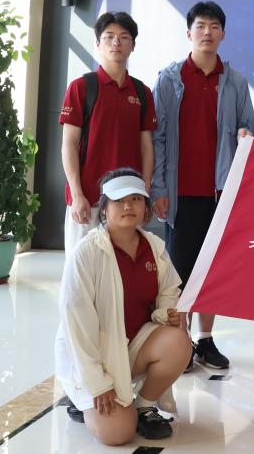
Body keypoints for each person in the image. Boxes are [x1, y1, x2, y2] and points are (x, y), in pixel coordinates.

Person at [151, 0, 254, 372]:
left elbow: (248, 131)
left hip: (219, 193)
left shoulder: (236, 82)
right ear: (189, 32)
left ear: (223, 33)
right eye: (200, 26)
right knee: (180, 271)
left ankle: (206, 340)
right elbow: (158, 137)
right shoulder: (169, 79)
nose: (207, 32)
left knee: (211, 270)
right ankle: (180, 341)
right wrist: (159, 189)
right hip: (180, 193)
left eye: (214, 26)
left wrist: (244, 136)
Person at [55, 169, 192, 444]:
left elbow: (169, 291)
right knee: (118, 433)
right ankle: (81, 397)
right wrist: (97, 383)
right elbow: (76, 325)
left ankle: (144, 406)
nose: (128, 206)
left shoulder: (154, 247)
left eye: (136, 199)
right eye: (119, 200)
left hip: (131, 347)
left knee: (178, 341)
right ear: (104, 209)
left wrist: (166, 312)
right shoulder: (87, 252)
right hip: (91, 356)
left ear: (145, 207)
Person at [60, 11, 157, 254]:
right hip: (89, 198)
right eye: (109, 36)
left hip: (127, 200)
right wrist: (77, 194)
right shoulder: (81, 87)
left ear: (133, 45)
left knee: (121, 265)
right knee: (80, 264)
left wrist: (144, 194)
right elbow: (69, 144)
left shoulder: (143, 92)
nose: (116, 42)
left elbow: (146, 147)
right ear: (98, 43)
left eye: (124, 37)